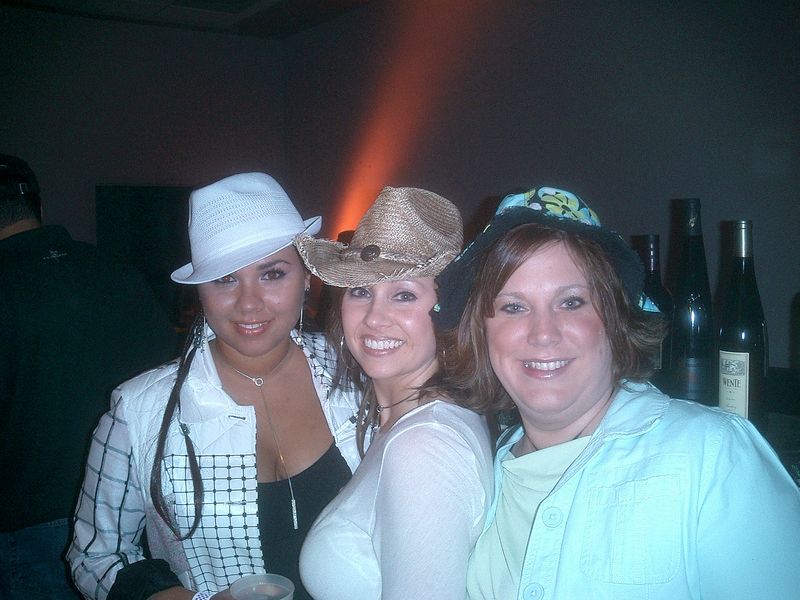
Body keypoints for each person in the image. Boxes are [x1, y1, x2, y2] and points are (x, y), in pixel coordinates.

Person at [433, 186, 800, 600]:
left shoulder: (712, 456)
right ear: (482, 332)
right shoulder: (475, 477)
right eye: (514, 307)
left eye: (571, 302)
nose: (543, 333)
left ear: (614, 319)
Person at [67, 173, 361, 600]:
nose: (248, 303)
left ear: (306, 277)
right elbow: (96, 555)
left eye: (272, 274)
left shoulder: (356, 371)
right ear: (199, 292)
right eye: (225, 279)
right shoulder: (140, 410)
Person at [295, 186, 494, 600]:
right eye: (360, 291)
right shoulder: (408, 420)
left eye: (404, 295)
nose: (374, 317)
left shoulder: (422, 447)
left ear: (447, 312)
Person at [0, 154, 178, 600]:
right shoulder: (116, 270)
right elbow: (169, 381)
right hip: (131, 513)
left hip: (31, 521)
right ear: (38, 206)